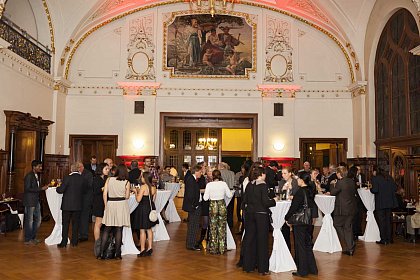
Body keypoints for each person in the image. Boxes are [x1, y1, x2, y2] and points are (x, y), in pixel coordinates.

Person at [241, 166, 278, 275]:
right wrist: (274, 200)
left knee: (249, 239)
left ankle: (248, 266)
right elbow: (266, 202)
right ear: (261, 174)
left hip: (250, 214)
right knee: (262, 241)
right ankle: (263, 268)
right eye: (264, 174)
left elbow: (245, 200)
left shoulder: (249, 184)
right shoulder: (262, 185)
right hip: (261, 215)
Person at [285, 173, 318, 277]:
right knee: (307, 244)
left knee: (300, 246)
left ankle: (302, 270)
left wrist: (286, 217)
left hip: (299, 222)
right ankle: (312, 268)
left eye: (298, 178)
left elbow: (294, 207)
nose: (297, 180)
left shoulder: (300, 192)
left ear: (302, 180)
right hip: (308, 221)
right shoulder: (310, 190)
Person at [98, 164, 131, 260]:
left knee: (107, 229)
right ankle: (118, 254)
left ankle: (101, 253)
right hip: (121, 204)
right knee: (119, 229)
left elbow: (104, 194)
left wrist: (106, 205)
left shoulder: (109, 180)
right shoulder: (127, 182)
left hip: (111, 204)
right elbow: (127, 196)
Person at [56, 162, 87, 248]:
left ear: (71, 169)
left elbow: (60, 190)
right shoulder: (83, 179)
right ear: (78, 169)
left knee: (65, 224)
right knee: (76, 224)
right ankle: (74, 241)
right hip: (78, 205)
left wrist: (57, 188)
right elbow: (85, 191)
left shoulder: (67, 178)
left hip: (67, 205)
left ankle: (64, 242)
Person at [203, 169, 232, 254]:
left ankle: (213, 248)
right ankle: (222, 248)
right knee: (222, 226)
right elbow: (229, 195)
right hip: (221, 205)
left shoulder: (209, 185)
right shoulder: (223, 184)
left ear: (212, 176)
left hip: (213, 206)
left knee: (213, 227)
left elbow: (205, 198)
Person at [329, 166, 357, 256]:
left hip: (342, 209)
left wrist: (332, 184)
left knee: (337, 225)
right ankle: (350, 247)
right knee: (347, 227)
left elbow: (333, 192)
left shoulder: (340, 183)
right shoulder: (351, 181)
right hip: (351, 208)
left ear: (339, 173)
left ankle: (349, 245)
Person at [132, 172, 158, 257]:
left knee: (142, 230)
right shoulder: (154, 187)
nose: (141, 178)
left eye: (142, 177)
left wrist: (136, 192)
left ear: (145, 178)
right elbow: (153, 199)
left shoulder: (143, 186)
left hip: (143, 209)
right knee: (149, 229)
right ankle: (150, 248)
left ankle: (142, 249)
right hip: (150, 208)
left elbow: (138, 200)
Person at [370, 166, 398, 245]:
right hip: (389, 202)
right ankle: (389, 239)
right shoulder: (389, 178)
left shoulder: (375, 178)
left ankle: (383, 239)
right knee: (388, 221)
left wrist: (370, 189)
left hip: (380, 202)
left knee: (382, 221)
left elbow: (375, 190)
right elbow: (395, 188)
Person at [23, 160, 49, 245]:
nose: (41, 168)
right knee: (29, 221)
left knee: (38, 219)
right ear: (34, 167)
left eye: (41, 166)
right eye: (39, 166)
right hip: (30, 201)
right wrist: (41, 189)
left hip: (36, 200)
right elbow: (27, 189)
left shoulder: (36, 175)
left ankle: (33, 237)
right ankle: (28, 239)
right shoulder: (29, 176)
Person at [182, 164, 203, 251]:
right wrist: (195, 205)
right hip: (194, 206)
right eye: (200, 172)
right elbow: (190, 195)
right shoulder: (191, 180)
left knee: (194, 225)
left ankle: (192, 243)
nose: (201, 173)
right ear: (197, 172)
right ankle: (191, 244)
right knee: (193, 226)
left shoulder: (192, 179)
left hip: (194, 206)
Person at [278, 166, 299, 250]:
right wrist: (282, 190)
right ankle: (286, 249)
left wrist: (292, 192)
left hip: (294, 208)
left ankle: (297, 250)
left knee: (295, 229)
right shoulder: (281, 182)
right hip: (284, 207)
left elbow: (298, 195)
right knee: (285, 229)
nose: (283, 175)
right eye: (282, 173)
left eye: (285, 173)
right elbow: (279, 195)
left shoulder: (295, 182)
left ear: (290, 174)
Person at [92, 163, 110, 252]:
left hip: (106, 202)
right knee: (98, 223)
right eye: (106, 169)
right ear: (101, 169)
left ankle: (105, 243)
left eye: (108, 169)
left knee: (106, 223)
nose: (108, 170)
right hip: (99, 203)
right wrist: (105, 188)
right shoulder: (96, 179)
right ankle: (97, 243)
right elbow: (95, 191)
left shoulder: (107, 178)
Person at [79, 162, 93, 242]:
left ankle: (84, 235)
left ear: (82, 167)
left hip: (86, 199)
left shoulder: (88, 174)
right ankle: (80, 233)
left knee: (84, 217)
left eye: (79, 167)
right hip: (79, 199)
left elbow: (89, 186)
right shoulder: (78, 173)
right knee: (79, 217)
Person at [219, 162, 235, 228]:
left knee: (222, 209)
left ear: (221, 166)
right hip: (231, 192)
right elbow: (234, 183)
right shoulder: (232, 173)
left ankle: (223, 223)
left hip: (223, 192)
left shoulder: (219, 172)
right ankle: (230, 223)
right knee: (230, 209)